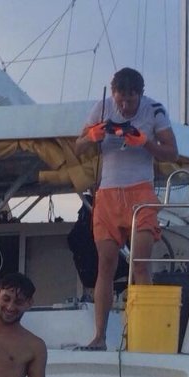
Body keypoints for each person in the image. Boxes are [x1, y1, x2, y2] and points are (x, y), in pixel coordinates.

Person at [75, 67, 178, 350]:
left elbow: (172, 152)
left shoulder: (154, 110)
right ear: (114, 93)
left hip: (140, 191)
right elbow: (77, 148)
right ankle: (99, 336)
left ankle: (146, 337)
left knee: (141, 263)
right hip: (108, 193)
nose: (124, 106)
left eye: (130, 100)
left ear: (140, 94)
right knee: (105, 265)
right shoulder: (103, 107)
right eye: (120, 99)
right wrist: (92, 136)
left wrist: (145, 142)